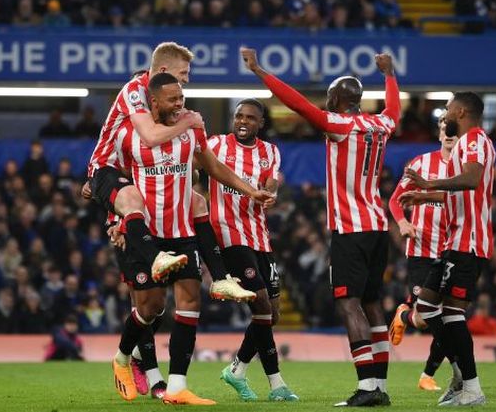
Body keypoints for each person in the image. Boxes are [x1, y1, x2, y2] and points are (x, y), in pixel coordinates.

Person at [242, 47, 400, 407]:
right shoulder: (381, 125)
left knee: (349, 305)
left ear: (340, 99)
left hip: (350, 228)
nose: (325, 102)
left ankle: (367, 387)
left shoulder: (340, 125)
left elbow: (298, 104)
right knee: (373, 304)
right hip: (377, 225)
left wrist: (260, 72)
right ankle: (380, 387)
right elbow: (394, 109)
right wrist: (389, 75)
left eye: (329, 96)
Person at [110, 73, 275, 405]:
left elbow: (213, 167)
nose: (179, 105)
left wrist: (250, 190)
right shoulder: (130, 135)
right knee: (151, 307)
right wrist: (115, 218)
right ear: (153, 102)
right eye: (173, 99)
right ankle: (121, 358)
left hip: (182, 232)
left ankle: (176, 386)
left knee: (189, 305)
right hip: (146, 235)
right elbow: (115, 181)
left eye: (182, 98)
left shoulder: (190, 133)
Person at [83, 42, 250, 299]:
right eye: (183, 73)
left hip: (134, 172)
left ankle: (220, 278)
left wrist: (249, 190)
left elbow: (200, 160)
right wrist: (189, 122)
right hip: (108, 168)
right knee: (132, 201)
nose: (186, 79)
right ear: (162, 70)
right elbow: (150, 136)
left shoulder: (171, 105)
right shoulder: (134, 91)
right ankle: (152, 255)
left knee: (195, 200)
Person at [400, 92, 495, 406]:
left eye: (449, 108)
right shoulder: (467, 145)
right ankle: (459, 374)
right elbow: (463, 195)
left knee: (453, 313)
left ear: (463, 111)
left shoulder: (474, 140)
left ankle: (472, 387)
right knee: (426, 309)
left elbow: (471, 180)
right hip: (453, 242)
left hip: (467, 241)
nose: (446, 113)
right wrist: (423, 197)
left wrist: (428, 185)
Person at [206, 98, 298, 402]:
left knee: (270, 314)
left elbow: (271, 183)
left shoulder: (270, 152)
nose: (243, 122)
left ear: (260, 123)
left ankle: (237, 370)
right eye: (239, 116)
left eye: (250, 118)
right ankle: (277, 384)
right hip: (229, 233)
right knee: (259, 303)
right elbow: (198, 166)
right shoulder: (216, 144)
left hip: (259, 235)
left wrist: (271, 192)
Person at [387, 114, 460, 392]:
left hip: (453, 249)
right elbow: (395, 200)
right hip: (421, 249)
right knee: (427, 318)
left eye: (454, 130)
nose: (450, 134)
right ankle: (404, 316)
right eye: (445, 129)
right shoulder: (421, 164)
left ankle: (427, 375)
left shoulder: (467, 168)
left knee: (447, 317)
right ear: (440, 134)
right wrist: (404, 222)